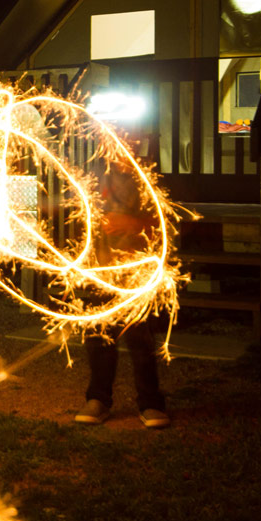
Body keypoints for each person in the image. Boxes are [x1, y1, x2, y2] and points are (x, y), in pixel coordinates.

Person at [73, 149, 170, 429]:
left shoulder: (150, 179)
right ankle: (98, 399)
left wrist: (134, 224)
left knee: (140, 340)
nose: (123, 142)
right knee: (99, 337)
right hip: (102, 270)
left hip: (138, 274)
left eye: (131, 135)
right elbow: (78, 211)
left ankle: (151, 402)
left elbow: (170, 222)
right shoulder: (96, 175)